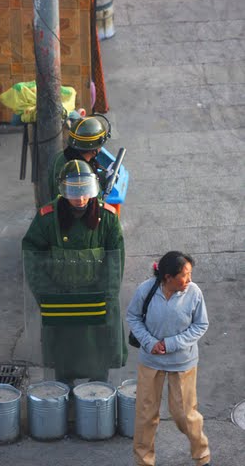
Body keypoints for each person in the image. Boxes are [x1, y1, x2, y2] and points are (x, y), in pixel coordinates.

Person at [22, 160, 127, 385]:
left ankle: (98, 400)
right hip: (61, 302)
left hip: (97, 301)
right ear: (62, 190)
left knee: (100, 355)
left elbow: (115, 264)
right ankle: (63, 399)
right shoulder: (47, 218)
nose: (80, 199)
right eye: (73, 192)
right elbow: (32, 255)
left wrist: (106, 300)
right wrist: (46, 296)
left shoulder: (107, 218)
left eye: (85, 192)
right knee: (63, 356)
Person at [126, 251, 211, 466]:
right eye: (185, 274)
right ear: (168, 277)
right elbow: (133, 317)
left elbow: (201, 325)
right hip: (151, 361)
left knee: (184, 415)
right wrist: (149, 342)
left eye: (190, 274)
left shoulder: (194, 293)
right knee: (146, 415)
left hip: (182, 362)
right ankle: (144, 461)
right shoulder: (146, 290)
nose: (189, 279)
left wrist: (170, 344)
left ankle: (202, 456)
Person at [48, 114, 112, 200]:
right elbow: (94, 199)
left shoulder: (60, 157)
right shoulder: (81, 173)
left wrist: (103, 177)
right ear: (94, 150)